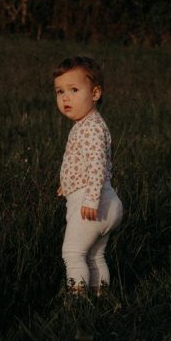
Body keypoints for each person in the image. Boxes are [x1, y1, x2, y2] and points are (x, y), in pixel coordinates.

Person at [53, 56, 124, 295]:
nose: (65, 97)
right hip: (105, 201)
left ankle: (77, 303)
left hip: (94, 201)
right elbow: (82, 164)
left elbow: (97, 165)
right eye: (60, 91)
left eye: (74, 90)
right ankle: (101, 295)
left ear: (95, 94)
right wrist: (67, 184)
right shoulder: (86, 124)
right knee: (95, 255)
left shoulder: (92, 127)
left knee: (73, 253)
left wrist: (91, 199)